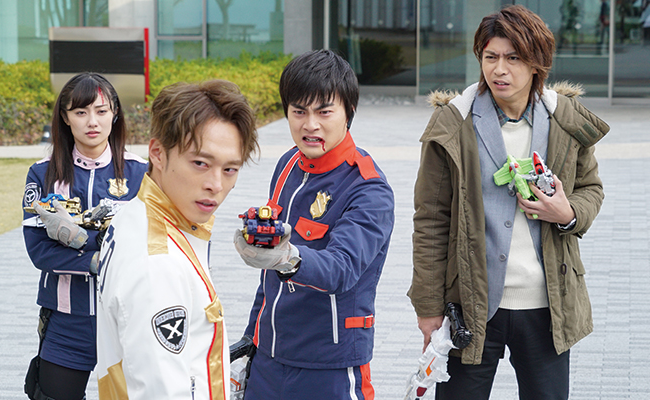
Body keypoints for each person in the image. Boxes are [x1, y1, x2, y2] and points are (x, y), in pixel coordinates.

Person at [408, 5, 608, 400]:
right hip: (471, 304)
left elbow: (591, 188)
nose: (499, 70)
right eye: (491, 57)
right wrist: (428, 306)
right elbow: (430, 220)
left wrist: (567, 213)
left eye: (513, 58)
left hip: (547, 304)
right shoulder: (454, 124)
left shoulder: (565, 121)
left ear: (536, 64)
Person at [234, 49, 395, 400]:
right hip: (268, 358)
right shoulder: (288, 165)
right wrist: (251, 337)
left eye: (324, 112)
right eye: (299, 111)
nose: (310, 125)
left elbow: (342, 268)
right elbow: (269, 272)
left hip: (330, 366)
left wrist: (287, 257)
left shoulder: (368, 188)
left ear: (349, 111)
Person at [96, 80, 259, 400]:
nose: (216, 184)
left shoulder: (135, 215)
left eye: (230, 169)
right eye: (200, 163)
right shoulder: (160, 263)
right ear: (158, 153)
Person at [22, 72, 148, 400]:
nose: (92, 121)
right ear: (65, 117)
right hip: (67, 323)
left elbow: (150, 245)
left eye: (101, 111)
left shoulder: (142, 173)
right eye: (80, 112)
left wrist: (79, 239)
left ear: (115, 113)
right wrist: (96, 258)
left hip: (129, 320)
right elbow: (39, 251)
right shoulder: (42, 173)